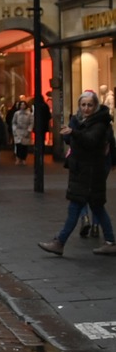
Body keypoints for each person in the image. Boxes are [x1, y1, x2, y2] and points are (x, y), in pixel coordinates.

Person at [38, 91, 116, 257]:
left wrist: (73, 132)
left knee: (76, 208)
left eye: (89, 105)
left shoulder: (100, 123)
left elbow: (90, 141)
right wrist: (71, 132)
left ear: (95, 106)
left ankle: (59, 242)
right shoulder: (81, 121)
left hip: (90, 173)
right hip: (82, 172)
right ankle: (110, 241)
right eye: (83, 105)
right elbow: (73, 141)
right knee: (96, 207)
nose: (86, 108)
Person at [12, 98, 33, 164]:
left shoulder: (29, 114)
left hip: (26, 131)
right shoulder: (16, 113)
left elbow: (31, 122)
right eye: (21, 105)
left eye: (24, 105)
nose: (22, 106)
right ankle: (18, 158)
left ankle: (24, 158)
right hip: (18, 131)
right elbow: (14, 122)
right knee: (18, 146)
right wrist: (14, 130)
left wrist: (29, 130)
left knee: (24, 146)